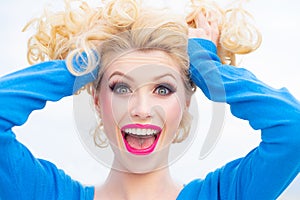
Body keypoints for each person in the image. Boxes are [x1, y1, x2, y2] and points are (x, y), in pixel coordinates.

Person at [0, 0, 299, 199]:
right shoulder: (46, 194)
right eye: (121, 88)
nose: (141, 110)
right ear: (95, 98)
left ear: (185, 103)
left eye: (163, 90)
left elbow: (293, 129)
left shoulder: (224, 194)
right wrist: (80, 66)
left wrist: (206, 68)